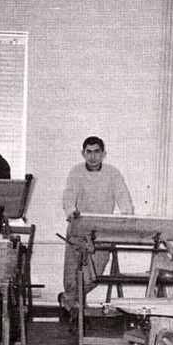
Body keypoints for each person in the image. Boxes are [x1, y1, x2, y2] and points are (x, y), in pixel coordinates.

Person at [59, 136, 134, 321]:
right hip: (79, 227)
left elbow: (124, 198)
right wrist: (71, 212)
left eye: (97, 152)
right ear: (83, 153)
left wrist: (126, 216)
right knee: (71, 274)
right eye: (89, 152)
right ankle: (75, 307)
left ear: (103, 153)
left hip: (102, 230)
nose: (93, 156)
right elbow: (68, 197)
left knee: (93, 275)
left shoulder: (112, 173)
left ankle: (68, 301)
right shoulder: (76, 172)